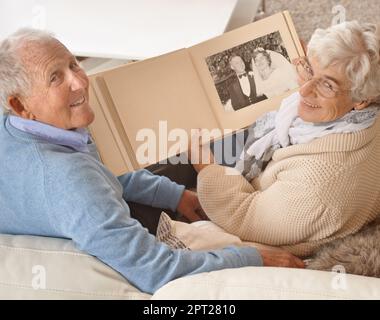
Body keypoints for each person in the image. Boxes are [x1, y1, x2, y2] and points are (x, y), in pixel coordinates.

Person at [0, 29, 304, 295]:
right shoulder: (67, 180)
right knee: (214, 151)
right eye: (56, 77)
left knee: (199, 155)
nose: (79, 82)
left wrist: (175, 195)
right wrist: (253, 257)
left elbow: (100, 175)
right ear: (19, 104)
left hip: (83, 202)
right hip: (130, 251)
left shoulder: (26, 125)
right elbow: (157, 271)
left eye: (73, 64)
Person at [191, 21, 380, 258]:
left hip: (255, 226)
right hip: (262, 168)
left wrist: (204, 166)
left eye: (327, 85)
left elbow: (243, 216)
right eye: (309, 69)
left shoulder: (320, 186)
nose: (303, 91)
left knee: (161, 159)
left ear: (361, 100)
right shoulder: (363, 115)